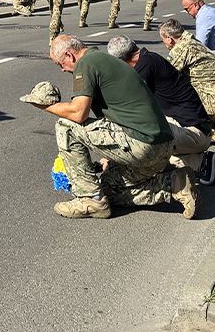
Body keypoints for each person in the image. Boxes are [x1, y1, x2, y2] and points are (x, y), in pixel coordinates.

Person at [28, 35, 196, 219]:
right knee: (107, 189)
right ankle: (174, 185)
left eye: (59, 64)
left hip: (142, 143)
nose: (61, 69)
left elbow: (78, 113)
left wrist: (45, 105)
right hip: (161, 144)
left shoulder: (86, 64)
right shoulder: (106, 60)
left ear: (69, 55)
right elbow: (115, 119)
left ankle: (89, 199)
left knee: (65, 126)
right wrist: (112, 157)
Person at [107, 35, 215, 186]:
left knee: (143, 138)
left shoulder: (144, 67)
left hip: (194, 133)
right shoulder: (149, 58)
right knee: (157, 159)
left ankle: (197, 165)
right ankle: (201, 162)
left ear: (122, 60)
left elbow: (130, 108)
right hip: (197, 130)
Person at [158, 20, 215, 150]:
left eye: (163, 40)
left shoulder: (181, 48)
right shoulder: (193, 42)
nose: (164, 44)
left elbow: (165, 74)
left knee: (183, 118)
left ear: (169, 38)